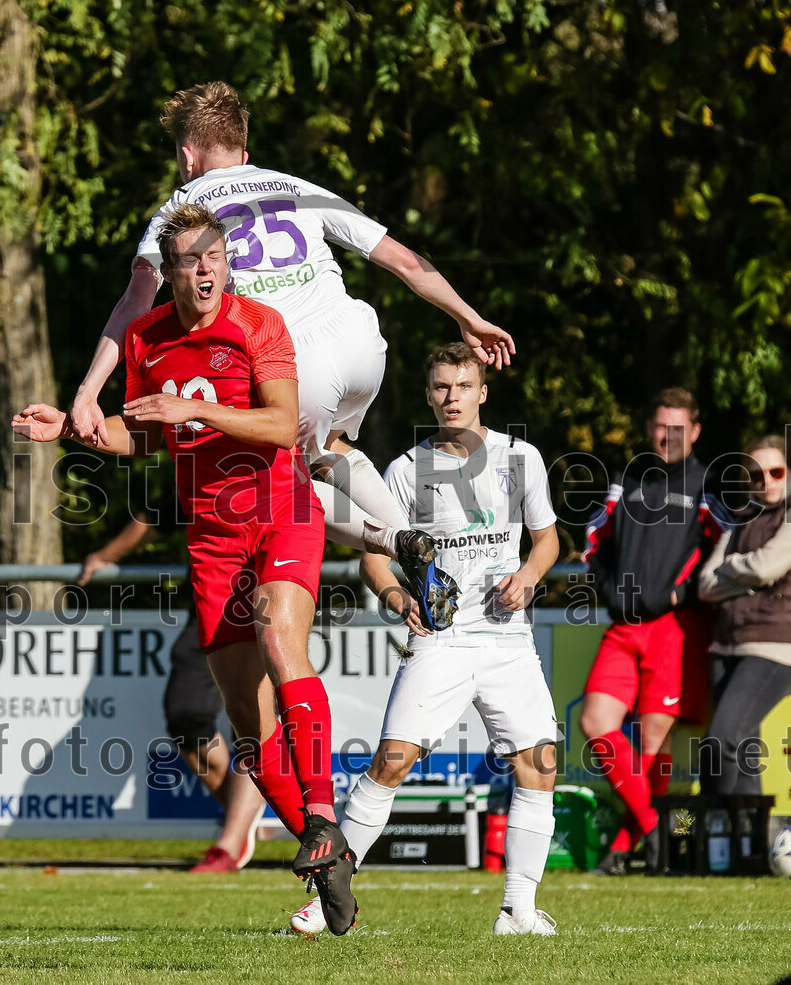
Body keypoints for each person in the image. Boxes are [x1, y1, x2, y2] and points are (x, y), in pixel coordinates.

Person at [13, 204, 357, 935]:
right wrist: (76, 431)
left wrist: (181, 410)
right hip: (211, 535)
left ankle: (323, 813)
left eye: (213, 257)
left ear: (227, 263)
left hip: (280, 508)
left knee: (277, 636)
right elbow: (145, 439)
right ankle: (328, 856)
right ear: (165, 272)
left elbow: (279, 422)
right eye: (188, 260)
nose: (203, 271)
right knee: (242, 721)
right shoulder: (145, 336)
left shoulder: (258, 324)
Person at [68, 82, 515, 629]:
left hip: (293, 356)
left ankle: (398, 541)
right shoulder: (297, 186)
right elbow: (400, 258)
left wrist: (88, 391)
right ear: (243, 149)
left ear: (187, 155)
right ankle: (421, 549)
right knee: (334, 447)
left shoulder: (182, 211)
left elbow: (136, 302)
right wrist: (467, 316)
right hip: (358, 340)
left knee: (290, 483)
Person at [290, 342, 561, 936]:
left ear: (483, 392)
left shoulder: (522, 458)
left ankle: (518, 909)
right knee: (391, 762)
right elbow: (374, 557)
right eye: (441, 387)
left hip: (507, 640)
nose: (451, 397)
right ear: (429, 393)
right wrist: (396, 597)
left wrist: (529, 575)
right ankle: (325, 896)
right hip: (442, 640)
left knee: (539, 764)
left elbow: (547, 540)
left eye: (463, 386)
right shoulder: (405, 470)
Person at [580, 387, 730, 876]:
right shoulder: (626, 478)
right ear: (650, 428)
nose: (669, 436)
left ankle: (628, 849)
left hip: (674, 629)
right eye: (662, 426)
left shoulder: (709, 484)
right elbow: (593, 541)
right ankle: (658, 836)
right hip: (623, 627)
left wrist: (677, 596)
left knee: (653, 748)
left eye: (679, 428)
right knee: (595, 723)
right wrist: (608, 590)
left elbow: (721, 551)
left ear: (696, 431)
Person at [79, 498, 266, 872]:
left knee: (255, 717)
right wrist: (106, 555)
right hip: (208, 601)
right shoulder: (194, 450)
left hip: (273, 595)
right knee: (185, 713)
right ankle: (242, 816)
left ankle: (230, 843)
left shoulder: (283, 452)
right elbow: (154, 512)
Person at [698, 435, 791, 794]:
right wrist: (746, 573)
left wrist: (732, 568)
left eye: (776, 472)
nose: (767, 482)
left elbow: (766, 568)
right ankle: (747, 848)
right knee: (741, 753)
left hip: (779, 646)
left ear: (790, 471)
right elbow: (705, 586)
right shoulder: (739, 520)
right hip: (728, 645)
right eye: (755, 476)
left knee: (721, 741)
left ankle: (714, 834)